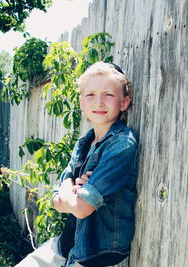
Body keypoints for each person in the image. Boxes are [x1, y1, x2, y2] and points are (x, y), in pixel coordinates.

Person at [16, 62, 139, 267]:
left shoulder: (122, 143)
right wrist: (70, 191)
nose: (99, 102)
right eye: (90, 95)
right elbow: (57, 202)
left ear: (124, 103)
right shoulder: (84, 142)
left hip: (95, 252)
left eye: (108, 95)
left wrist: (72, 195)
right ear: (82, 102)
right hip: (68, 243)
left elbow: (82, 209)